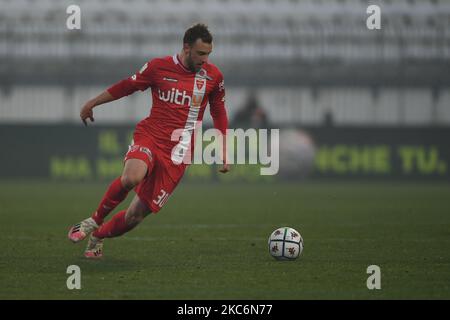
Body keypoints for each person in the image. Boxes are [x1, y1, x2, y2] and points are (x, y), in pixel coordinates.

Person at [68, 23, 229, 258]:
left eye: (208, 54)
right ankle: (93, 221)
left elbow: (219, 112)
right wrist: (92, 102)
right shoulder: (158, 67)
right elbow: (126, 86)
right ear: (186, 48)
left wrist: (223, 150)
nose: (205, 59)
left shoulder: (213, 77)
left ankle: (99, 235)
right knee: (131, 177)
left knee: (134, 216)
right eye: (201, 53)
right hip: (151, 136)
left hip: (178, 153)